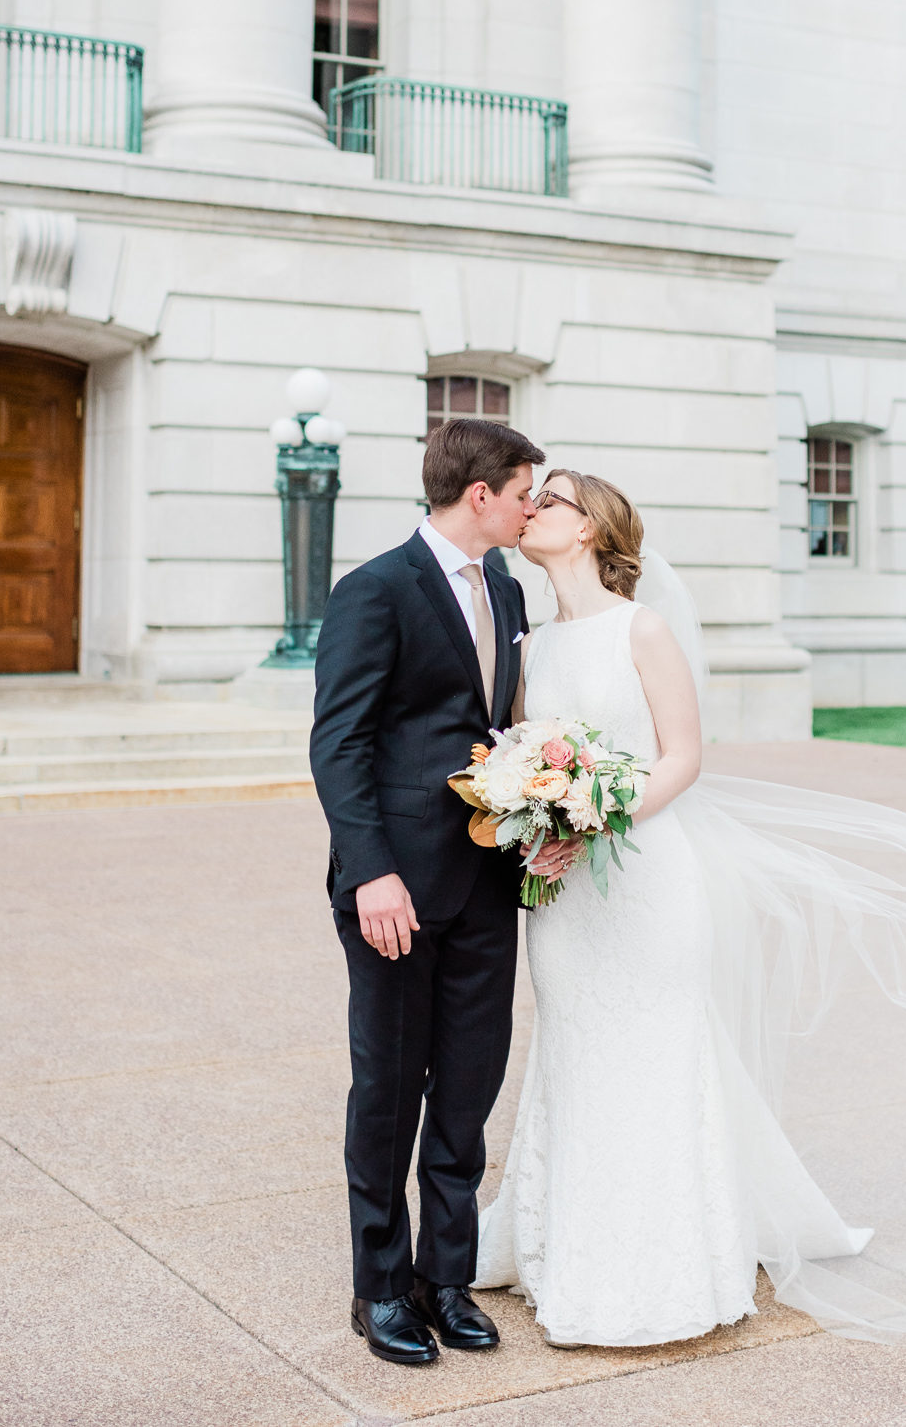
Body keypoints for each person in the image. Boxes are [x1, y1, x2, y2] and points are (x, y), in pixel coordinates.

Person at [474, 469, 906, 1349]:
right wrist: (543, 823)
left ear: (592, 528)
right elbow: (527, 752)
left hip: (645, 876)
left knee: (654, 1049)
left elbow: (682, 758)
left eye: (551, 500)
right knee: (574, 1049)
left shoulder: (642, 630)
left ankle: (655, 1260)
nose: (533, 511)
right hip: (566, 894)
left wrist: (599, 816)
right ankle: (562, 1237)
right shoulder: (532, 648)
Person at [310, 416, 545, 1367]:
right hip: (395, 887)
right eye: (525, 491)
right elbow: (340, 740)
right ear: (479, 494)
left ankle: (446, 1277)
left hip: (489, 875)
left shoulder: (509, 586)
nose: (535, 506)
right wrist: (371, 870)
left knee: (468, 1087)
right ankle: (380, 1286)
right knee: (389, 1087)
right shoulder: (375, 589)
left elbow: (504, 727)